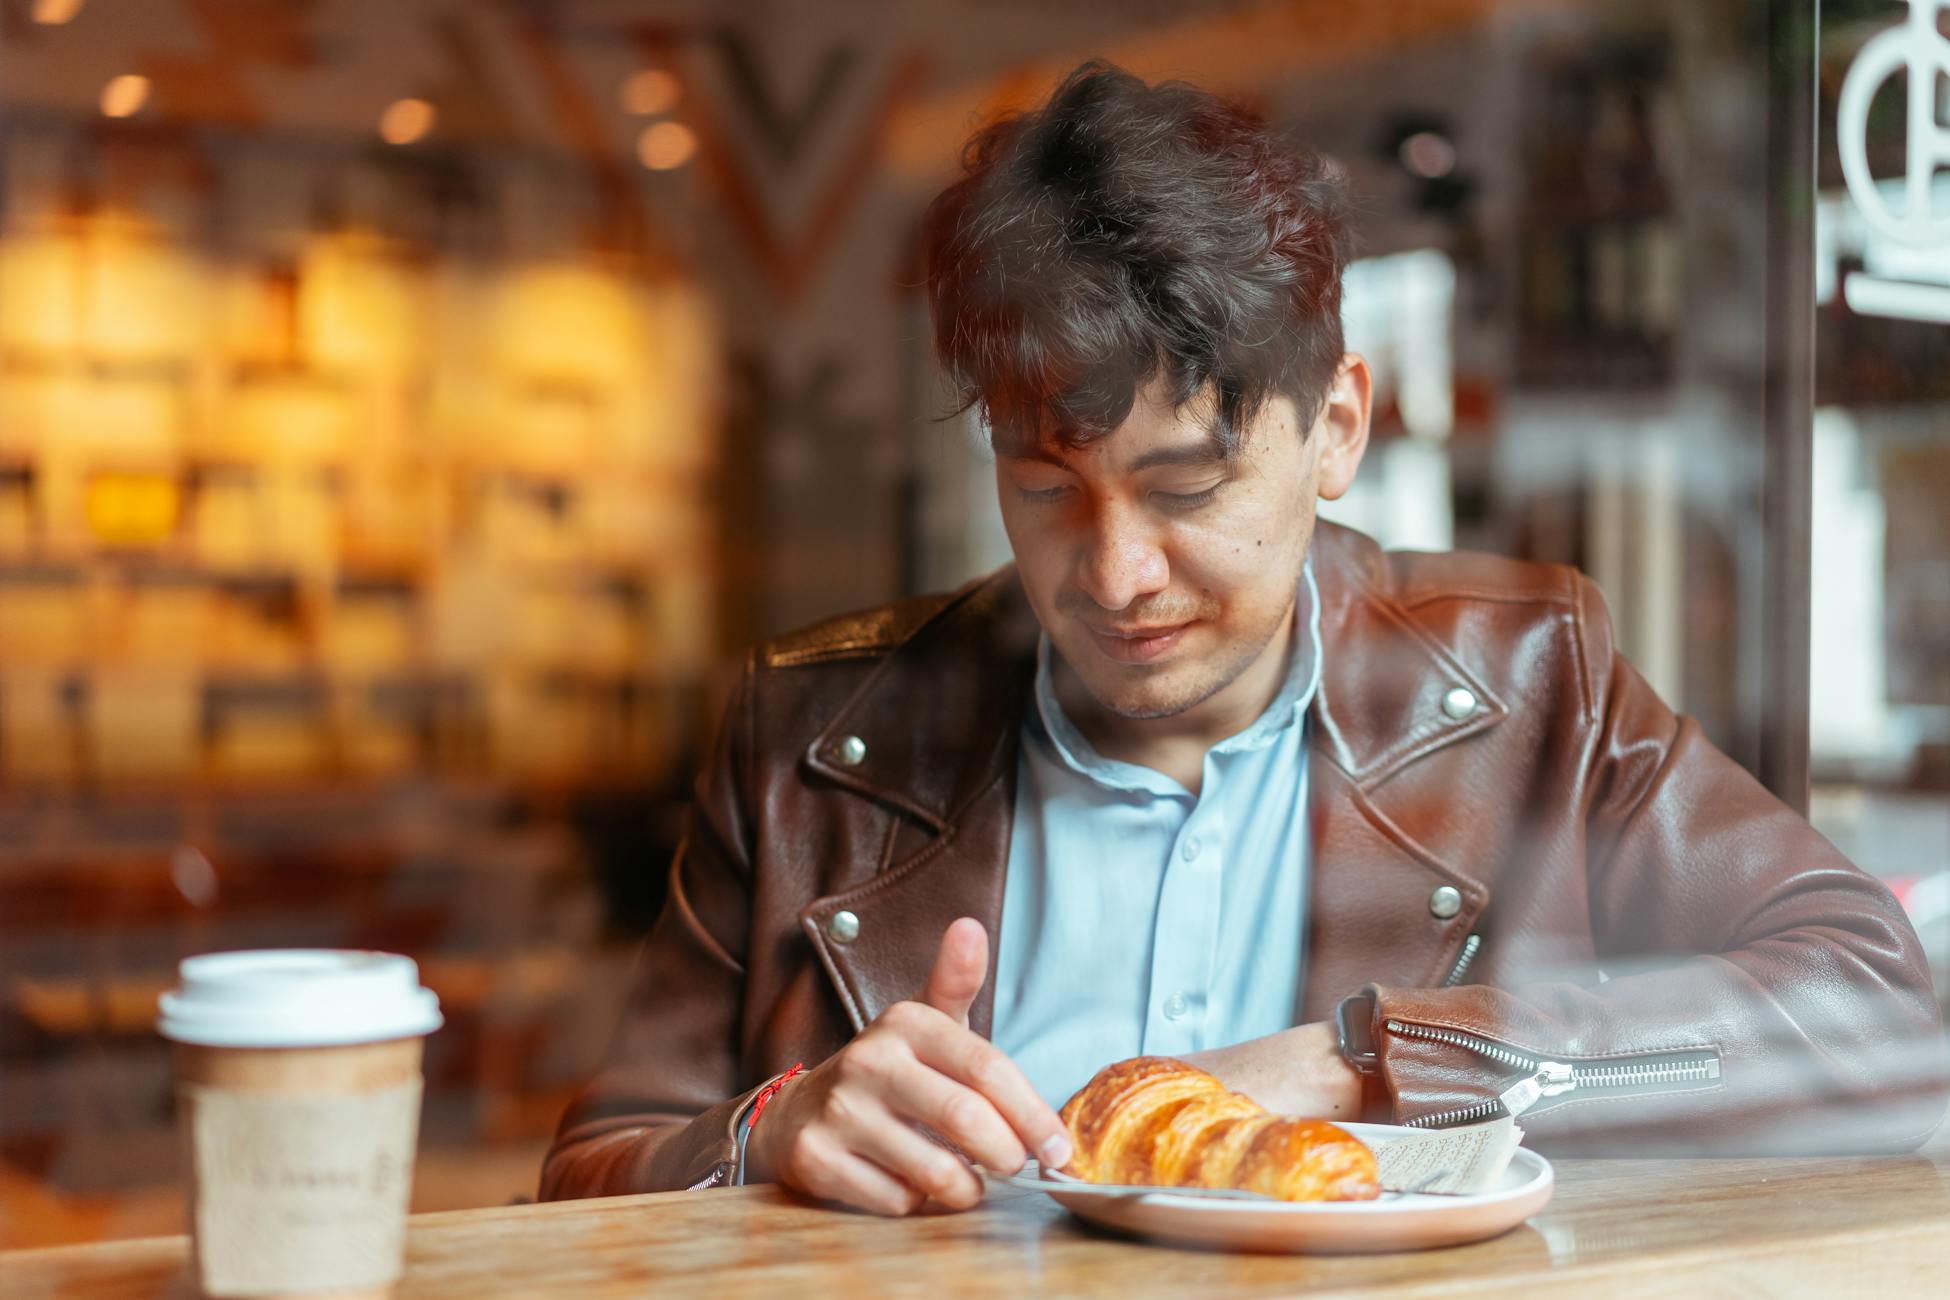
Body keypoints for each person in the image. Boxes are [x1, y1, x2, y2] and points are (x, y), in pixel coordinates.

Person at [540, 61, 1946, 1216]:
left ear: (1336, 426)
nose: (1113, 572)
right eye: (1042, 487)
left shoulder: (1531, 680)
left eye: (1185, 486)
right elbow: (589, 1180)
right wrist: (775, 1129)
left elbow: (1881, 1019)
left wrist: (1372, 1062)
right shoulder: (809, 738)